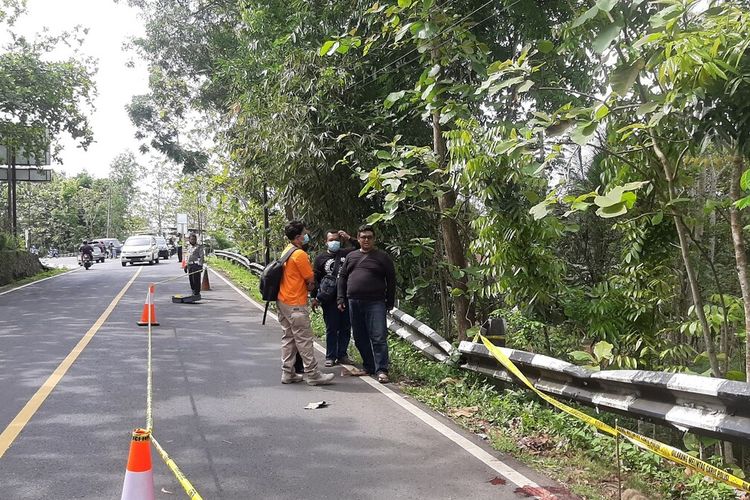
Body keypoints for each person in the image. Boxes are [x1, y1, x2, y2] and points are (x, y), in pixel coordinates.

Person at [277, 220, 334, 386]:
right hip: (295, 302)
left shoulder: (287, 250)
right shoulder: (299, 254)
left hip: (283, 300)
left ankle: (288, 373)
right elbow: (310, 279)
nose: (307, 236)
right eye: (304, 234)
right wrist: (311, 285)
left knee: (289, 338)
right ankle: (313, 374)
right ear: (298, 237)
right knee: (304, 339)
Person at [337, 224, 396, 383]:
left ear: (374, 239)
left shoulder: (382, 257)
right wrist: (341, 298)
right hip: (354, 301)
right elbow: (342, 278)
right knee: (359, 336)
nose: (366, 240)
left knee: (378, 336)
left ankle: (382, 369)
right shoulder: (351, 256)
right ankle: (369, 365)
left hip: (375, 302)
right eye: (363, 237)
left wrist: (389, 302)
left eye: (369, 237)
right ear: (358, 238)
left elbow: (391, 280)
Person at [312, 229, 358, 367]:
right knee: (331, 328)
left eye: (336, 240)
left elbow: (360, 246)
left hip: (346, 296)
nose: (334, 242)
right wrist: (314, 297)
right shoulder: (320, 258)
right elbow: (315, 279)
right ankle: (330, 356)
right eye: (331, 240)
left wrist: (349, 237)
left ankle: (342, 354)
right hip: (329, 299)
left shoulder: (347, 253)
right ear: (325, 242)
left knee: (345, 327)